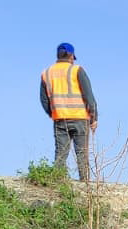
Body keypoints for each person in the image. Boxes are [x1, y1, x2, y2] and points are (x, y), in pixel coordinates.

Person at [39, 42, 97, 181]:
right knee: (82, 153)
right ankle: (85, 183)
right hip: (80, 118)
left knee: (60, 153)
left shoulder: (46, 73)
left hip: (60, 119)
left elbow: (44, 100)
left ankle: (58, 182)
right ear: (71, 55)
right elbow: (89, 96)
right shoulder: (77, 70)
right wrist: (94, 118)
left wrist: (52, 113)